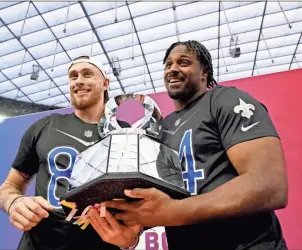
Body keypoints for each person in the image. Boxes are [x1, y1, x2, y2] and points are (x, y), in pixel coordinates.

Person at [102, 40, 289, 250]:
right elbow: (159, 203)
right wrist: (131, 233)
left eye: (183, 62)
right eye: (168, 64)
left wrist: (175, 211)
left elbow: (269, 184)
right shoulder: (160, 128)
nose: (173, 69)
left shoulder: (225, 100)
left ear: (204, 73)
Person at [0, 56, 142, 250]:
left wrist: (132, 239)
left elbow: (139, 198)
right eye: (73, 76)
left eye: (87, 74)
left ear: (105, 82)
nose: (78, 80)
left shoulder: (126, 133)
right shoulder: (45, 127)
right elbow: (9, 185)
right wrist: (14, 202)